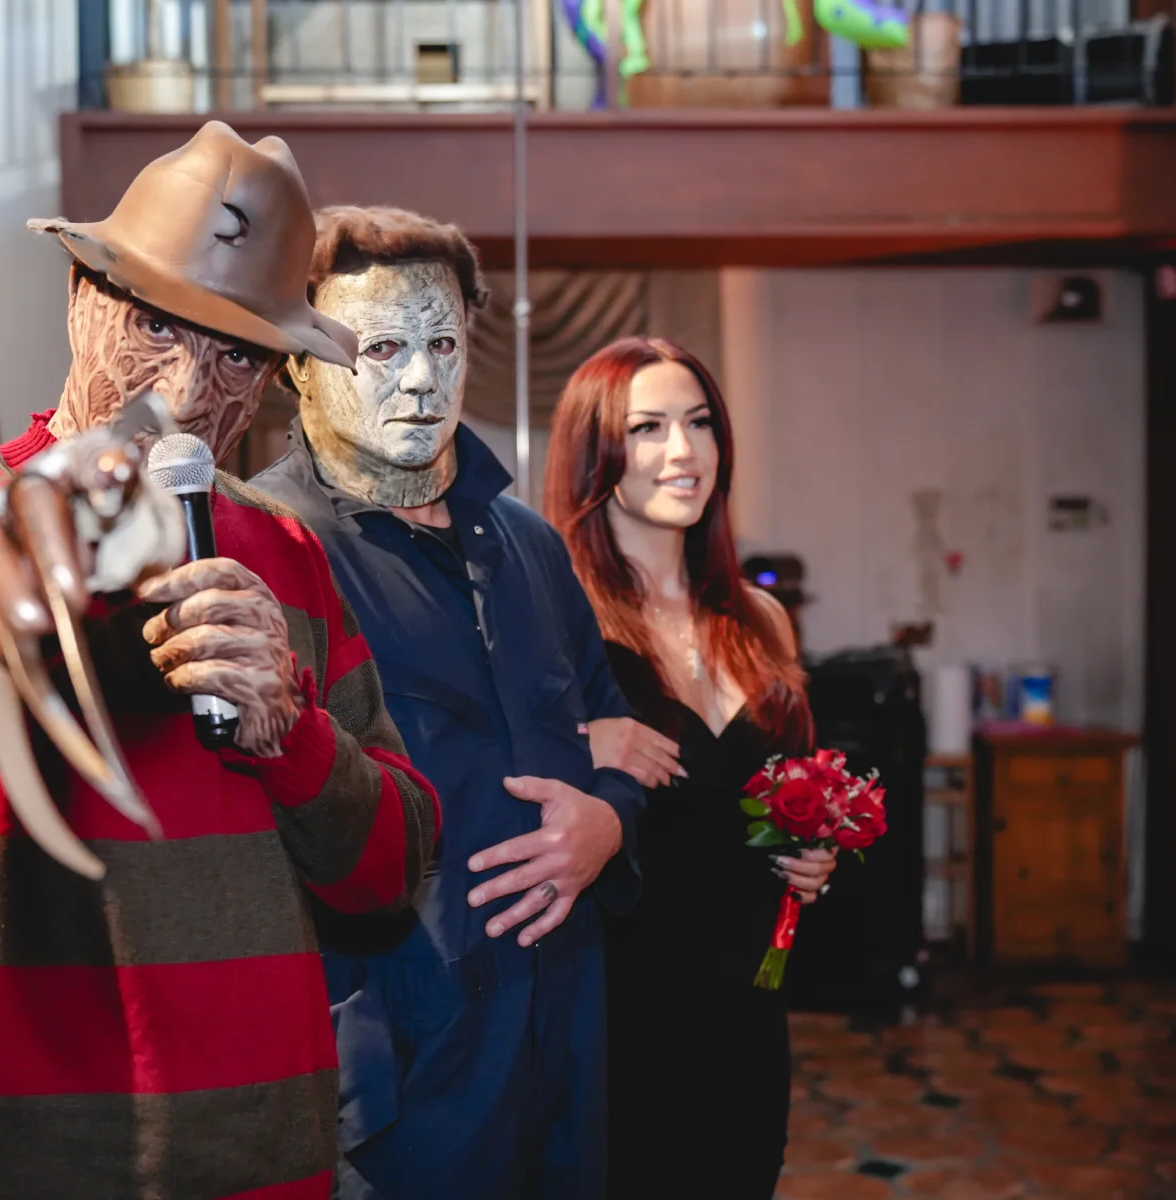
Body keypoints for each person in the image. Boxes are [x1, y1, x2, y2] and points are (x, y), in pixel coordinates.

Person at [0, 124, 440, 1200]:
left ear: (273, 377)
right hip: (21, 1149)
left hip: (259, 1138)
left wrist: (293, 738)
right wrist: (128, 466)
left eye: (233, 351)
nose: (182, 383)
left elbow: (390, 871)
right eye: (154, 322)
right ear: (80, 299)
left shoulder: (290, 554)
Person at [249, 206, 654, 1200]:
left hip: (564, 1035)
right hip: (394, 1068)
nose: (422, 378)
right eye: (380, 348)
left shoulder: (529, 545)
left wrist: (609, 819)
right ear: (299, 361)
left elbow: (612, 725)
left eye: (442, 342)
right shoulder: (261, 546)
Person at [544, 337, 838, 1199]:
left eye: (700, 422)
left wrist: (815, 856)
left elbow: (784, 796)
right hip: (623, 1003)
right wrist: (580, 744)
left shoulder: (761, 619)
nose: (685, 451)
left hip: (748, 1003)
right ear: (598, 452)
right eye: (649, 428)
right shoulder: (559, 619)